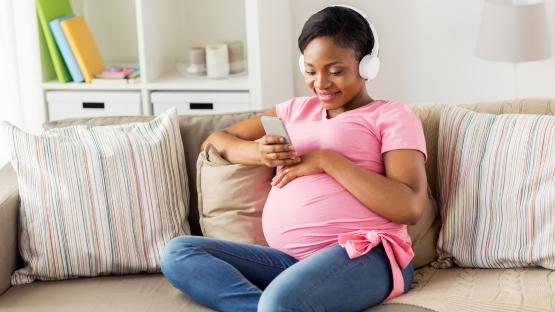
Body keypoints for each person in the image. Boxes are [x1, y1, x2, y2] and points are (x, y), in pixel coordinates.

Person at [160, 5, 428, 312]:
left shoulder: (390, 115)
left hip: (367, 253)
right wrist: (258, 153)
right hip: (290, 264)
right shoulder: (293, 110)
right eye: (311, 71)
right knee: (179, 253)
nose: (321, 84)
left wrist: (328, 160)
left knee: (279, 303)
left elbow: (409, 207)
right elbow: (214, 141)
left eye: (336, 71)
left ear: (367, 66)